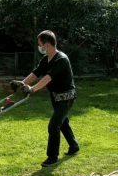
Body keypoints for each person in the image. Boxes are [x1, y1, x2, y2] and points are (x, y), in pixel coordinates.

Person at [13, 30, 80, 167]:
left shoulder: (61, 59)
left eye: (40, 45)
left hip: (67, 97)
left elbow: (47, 78)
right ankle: (74, 146)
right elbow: (36, 73)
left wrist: (32, 89)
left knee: (54, 125)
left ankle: (52, 157)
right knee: (63, 123)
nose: (40, 47)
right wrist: (22, 84)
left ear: (47, 45)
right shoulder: (46, 59)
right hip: (56, 97)